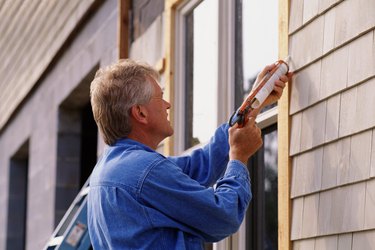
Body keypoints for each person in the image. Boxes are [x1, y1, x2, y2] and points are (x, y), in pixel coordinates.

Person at [87, 59, 288, 249]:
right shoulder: (145, 172)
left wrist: (253, 103)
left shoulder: (112, 169)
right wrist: (239, 157)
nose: (168, 105)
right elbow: (223, 217)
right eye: (160, 97)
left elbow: (200, 166)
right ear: (140, 113)